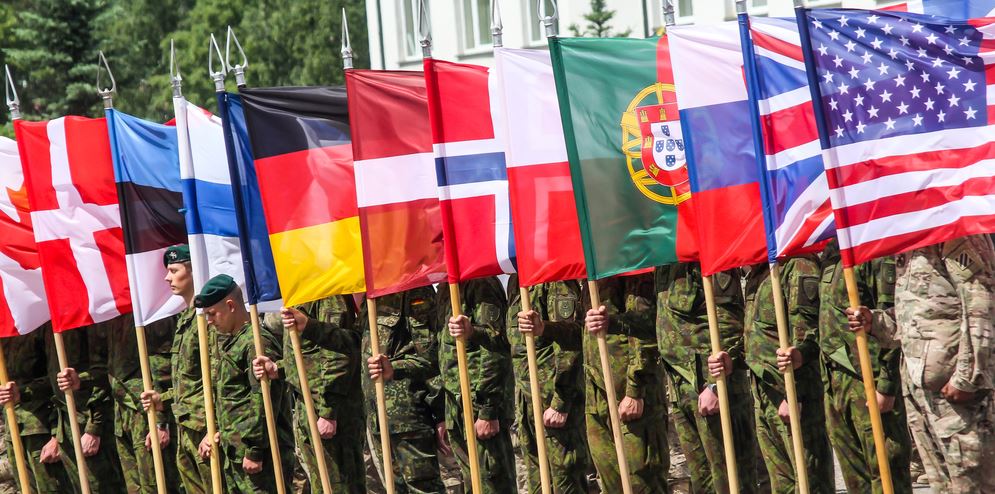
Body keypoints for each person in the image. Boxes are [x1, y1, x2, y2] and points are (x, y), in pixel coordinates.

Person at [893, 234, 995, 493]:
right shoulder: (909, 245)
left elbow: (980, 304)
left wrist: (967, 377)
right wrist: (876, 324)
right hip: (921, 393)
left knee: (973, 486)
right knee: (943, 487)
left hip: (957, 397)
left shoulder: (954, 235)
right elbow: (920, 317)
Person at [656, 263, 757, 494]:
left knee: (731, 479)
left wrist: (714, 384)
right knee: (703, 481)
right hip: (680, 383)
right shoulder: (664, 264)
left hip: (712, 385)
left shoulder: (711, 257)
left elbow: (730, 322)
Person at [821, 239, 912, 494]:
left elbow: (894, 320)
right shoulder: (831, 253)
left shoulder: (872, 248)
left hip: (868, 379)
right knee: (856, 479)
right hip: (836, 379)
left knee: (886, 476)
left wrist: (887, 385)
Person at [254, 294, 365, 493]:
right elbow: (307, 355)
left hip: (330, 410)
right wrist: (278, 369)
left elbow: (341, 353)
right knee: (321, 486)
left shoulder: (325, 293)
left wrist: (329, 411)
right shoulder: (298, 296)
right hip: (307, 407)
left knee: (340, 486)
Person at [741, 258, 833, 493]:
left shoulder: (799, 264)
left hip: (790, 392)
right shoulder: (759, 271)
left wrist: (795, 393)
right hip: (764, 391)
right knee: (782, 484)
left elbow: (806, 337)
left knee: (810, 480)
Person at [197, 275, 293, 493]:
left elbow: (264, 398)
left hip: (260, 457)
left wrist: (255, 450)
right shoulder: (235, 342)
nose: (209, 321)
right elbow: (235, 398)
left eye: (212, 313)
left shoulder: (256, 342)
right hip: (236, 451)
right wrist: (220, 430)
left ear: (230, 305)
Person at [584, 273, 669, 493]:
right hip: (598, 396)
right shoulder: (589, 276)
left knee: (643, 483)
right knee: (612, 485)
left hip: (630, 397)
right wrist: (544, 328)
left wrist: (635, 389)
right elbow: (582, 332)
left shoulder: (628, 263)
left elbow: (647, 327)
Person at [140, 245, 214, 493]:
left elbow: (218, 379)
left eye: (174, 270)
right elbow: (188, 384)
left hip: (206, 428)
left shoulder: (208, 319)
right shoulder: (184, 319)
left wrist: (216, 429)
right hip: (187, 426)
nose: (167, 277)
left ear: (193, 271)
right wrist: (163, 399)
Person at [363, 286, 447, 493]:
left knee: (424, 489)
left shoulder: (415, 291)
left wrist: (440, 413)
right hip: (377, 417)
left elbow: (432, 357)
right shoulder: (372, 295)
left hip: (409, 417)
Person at [510, 276, 590, 494]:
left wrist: (561, 402)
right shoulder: (516, 281)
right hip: (528, 402)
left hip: (554, 401)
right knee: (538, 484)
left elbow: (573, 338)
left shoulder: (555, 277)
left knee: (567, 481)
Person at [436, 278, 516, 493]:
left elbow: (497, 346)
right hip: (456, 404)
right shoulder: (447, 286)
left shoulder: (482, 283)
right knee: (473, 484)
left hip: (479, 404)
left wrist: (488, 410)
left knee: (493, 483)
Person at [51, 319, 128, 493]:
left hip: (91, 422)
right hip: (66, 423)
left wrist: (95, 427)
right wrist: (55, 431)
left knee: (103, 487)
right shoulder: (50, 321)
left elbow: (105, 371)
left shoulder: (84, 314)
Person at [0, 326, 74, 492]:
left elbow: (59, 381)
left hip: (42, 429)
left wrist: (57, 436)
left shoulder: (39, 324)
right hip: (14, 431)